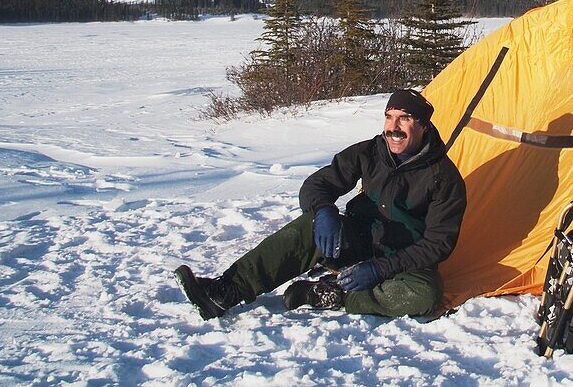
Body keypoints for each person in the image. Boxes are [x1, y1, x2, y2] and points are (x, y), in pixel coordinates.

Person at [174, 89, 467, 319]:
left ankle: (335, 294)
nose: (394, 127)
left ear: (424, 126)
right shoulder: (369, 152)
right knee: (309, 226)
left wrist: (381, 269)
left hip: (402, 259)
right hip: (359, 242)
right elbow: (317, 185)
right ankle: (227, 290)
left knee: (424, 295)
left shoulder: (444, 177)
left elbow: (437, 244)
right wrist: (323, 210)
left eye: (404, 118)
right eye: (389, 117)